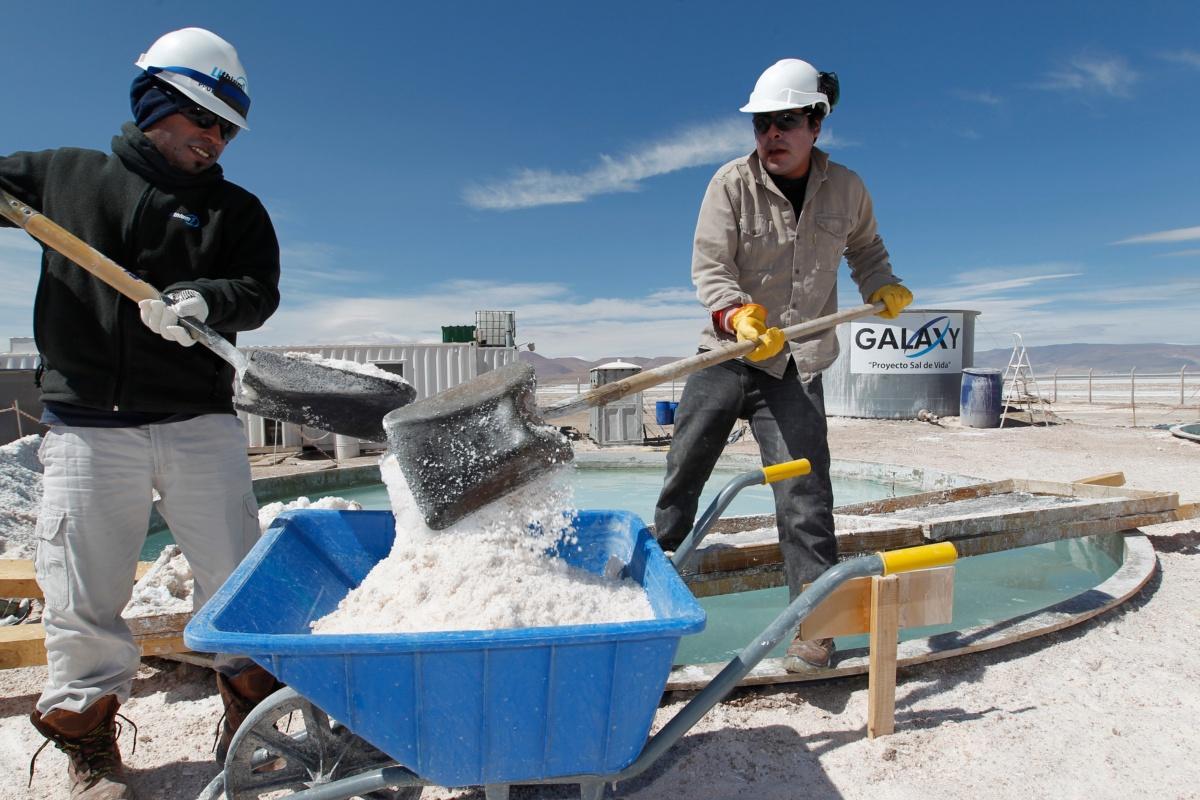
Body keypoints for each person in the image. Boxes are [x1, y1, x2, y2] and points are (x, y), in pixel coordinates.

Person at [1, 28, 283, 798]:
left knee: (236, 580)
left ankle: (249, 722)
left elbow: (259, 292)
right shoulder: (63, 178)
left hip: (198, 423)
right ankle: (91, 749)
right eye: (206, 121)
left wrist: (208, 298)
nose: (217, 140)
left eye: (227, 129)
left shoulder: (235, 211)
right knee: (83, 592)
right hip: (89, 427)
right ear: (159, 103)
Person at [654, 58, 913, 671]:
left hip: (796, 363)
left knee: (804, 494)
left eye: (786, 121)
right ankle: (644, 599)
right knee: (682, 474)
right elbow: (710, 266)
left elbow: (868, 250)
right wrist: (737, 316)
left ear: (816, 124)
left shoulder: (847, 188)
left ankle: (816, 630)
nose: (771, 134)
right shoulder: (729, 185)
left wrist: (884, 284)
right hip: (727, 354)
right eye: (762, 123)